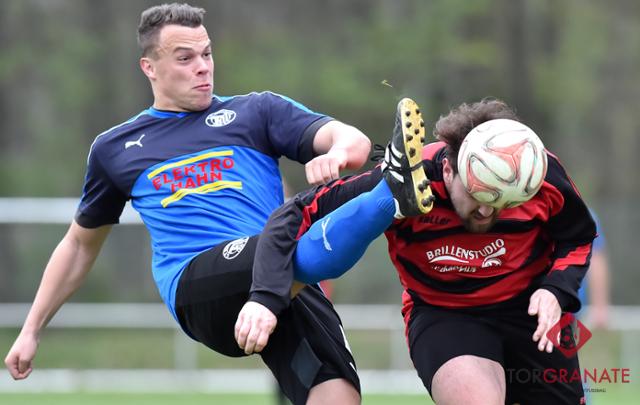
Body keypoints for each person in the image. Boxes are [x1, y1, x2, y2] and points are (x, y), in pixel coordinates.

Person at [1, 4, 424, 405]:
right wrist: (31, 330)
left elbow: (351, 139)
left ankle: (402, 181)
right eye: (185, 58)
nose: (202, 67)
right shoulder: (116, 148)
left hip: (284, 273)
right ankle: (392, 191)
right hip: (197, 286)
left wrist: (339, 153)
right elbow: (79, 246)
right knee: (297, 223)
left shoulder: (256, 112)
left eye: (206, 54)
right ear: (149, 67)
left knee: (338, 394)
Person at [236, 98, 597, 404]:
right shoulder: (409, 178)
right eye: (478, 195)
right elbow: (296, 212)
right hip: (447, 315)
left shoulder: (539, 173)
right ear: (449, 169)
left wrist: (555, 290)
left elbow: (578, 237)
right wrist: (265, 296)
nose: (487, 211)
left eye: (503, 203)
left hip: (534, 315)